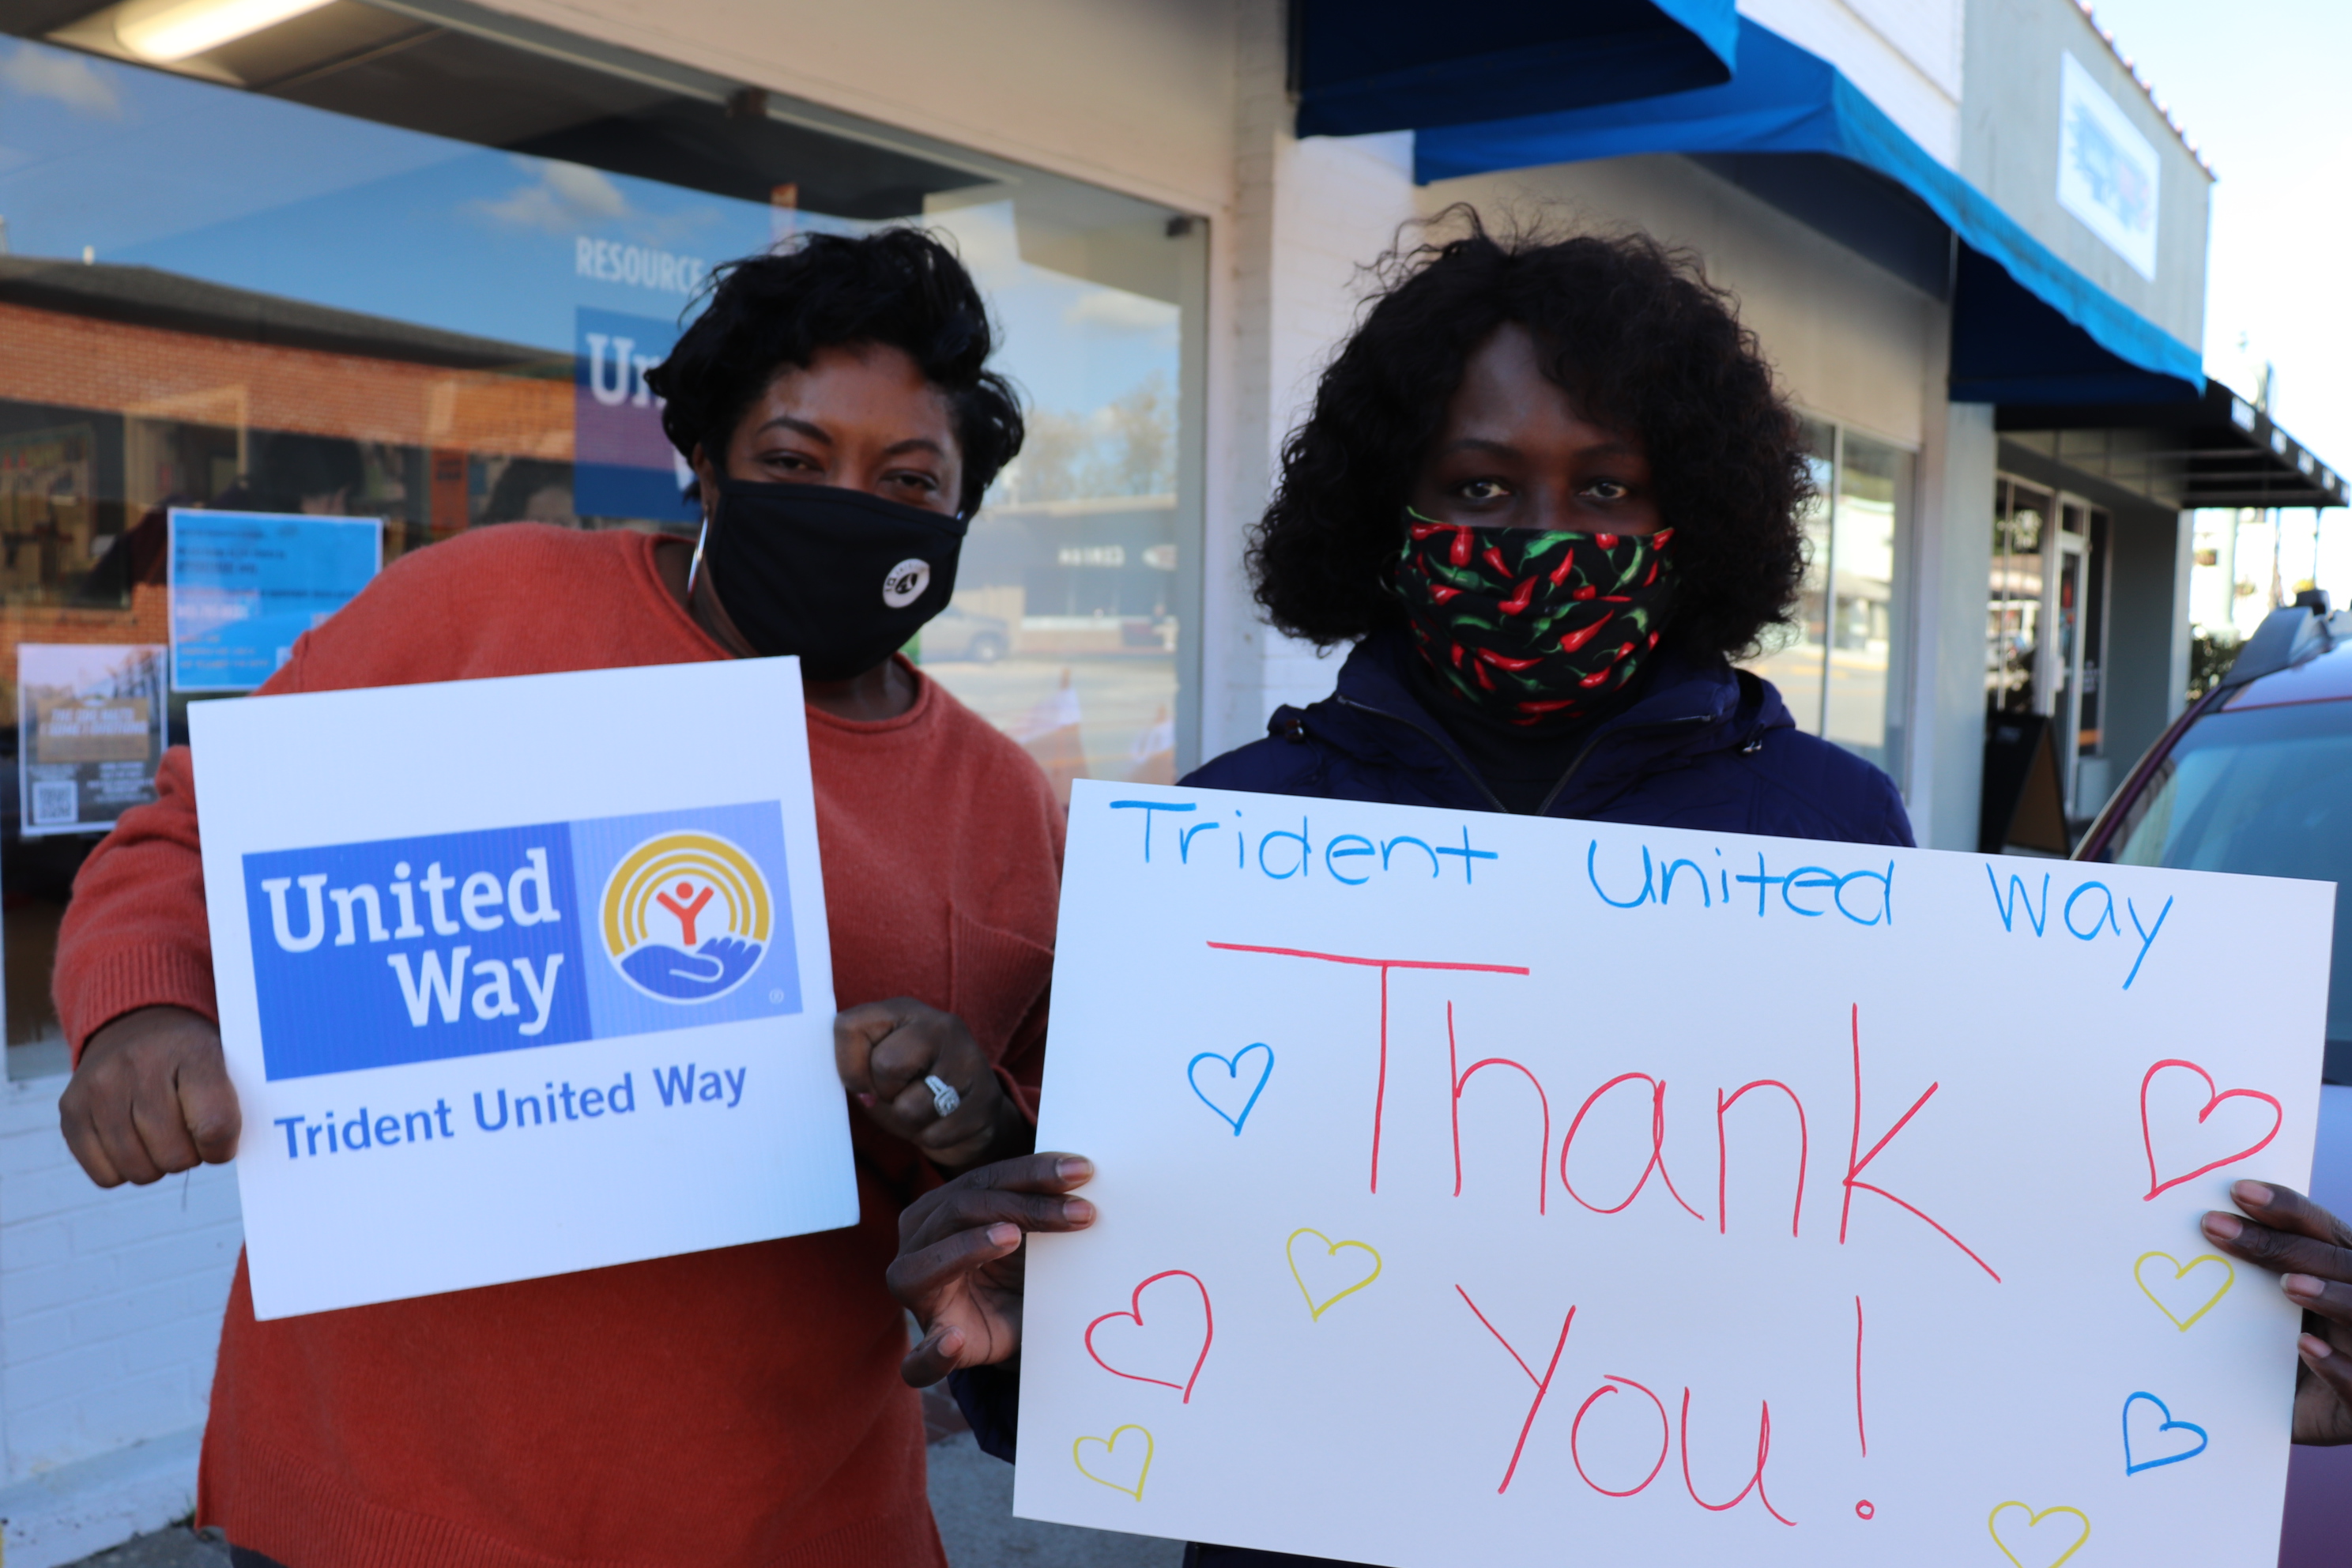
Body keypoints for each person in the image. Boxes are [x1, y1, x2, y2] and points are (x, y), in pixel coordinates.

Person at [884, 214, 1914, 1566]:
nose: (1546, 538)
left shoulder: (1829, 833)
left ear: (1691, 515)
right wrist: (1027, 1334)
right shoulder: (1229, 843)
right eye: (1481, 489)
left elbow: (1897, 1279)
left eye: (1607, 491)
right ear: (1393, 510)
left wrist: (2210, 1339)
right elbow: (1114, 1315)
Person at [54, 228, 1062, 1567]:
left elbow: (1051, 1168)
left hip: (788, 1518)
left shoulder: (1007, 808)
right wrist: (143, 1012)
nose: (848, 503)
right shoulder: (482, 609)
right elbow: (189, 834)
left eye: (908, 477)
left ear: (955, 518)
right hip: (379, 1505)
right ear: (704, 464)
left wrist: (971, 1117)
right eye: (794, 462)